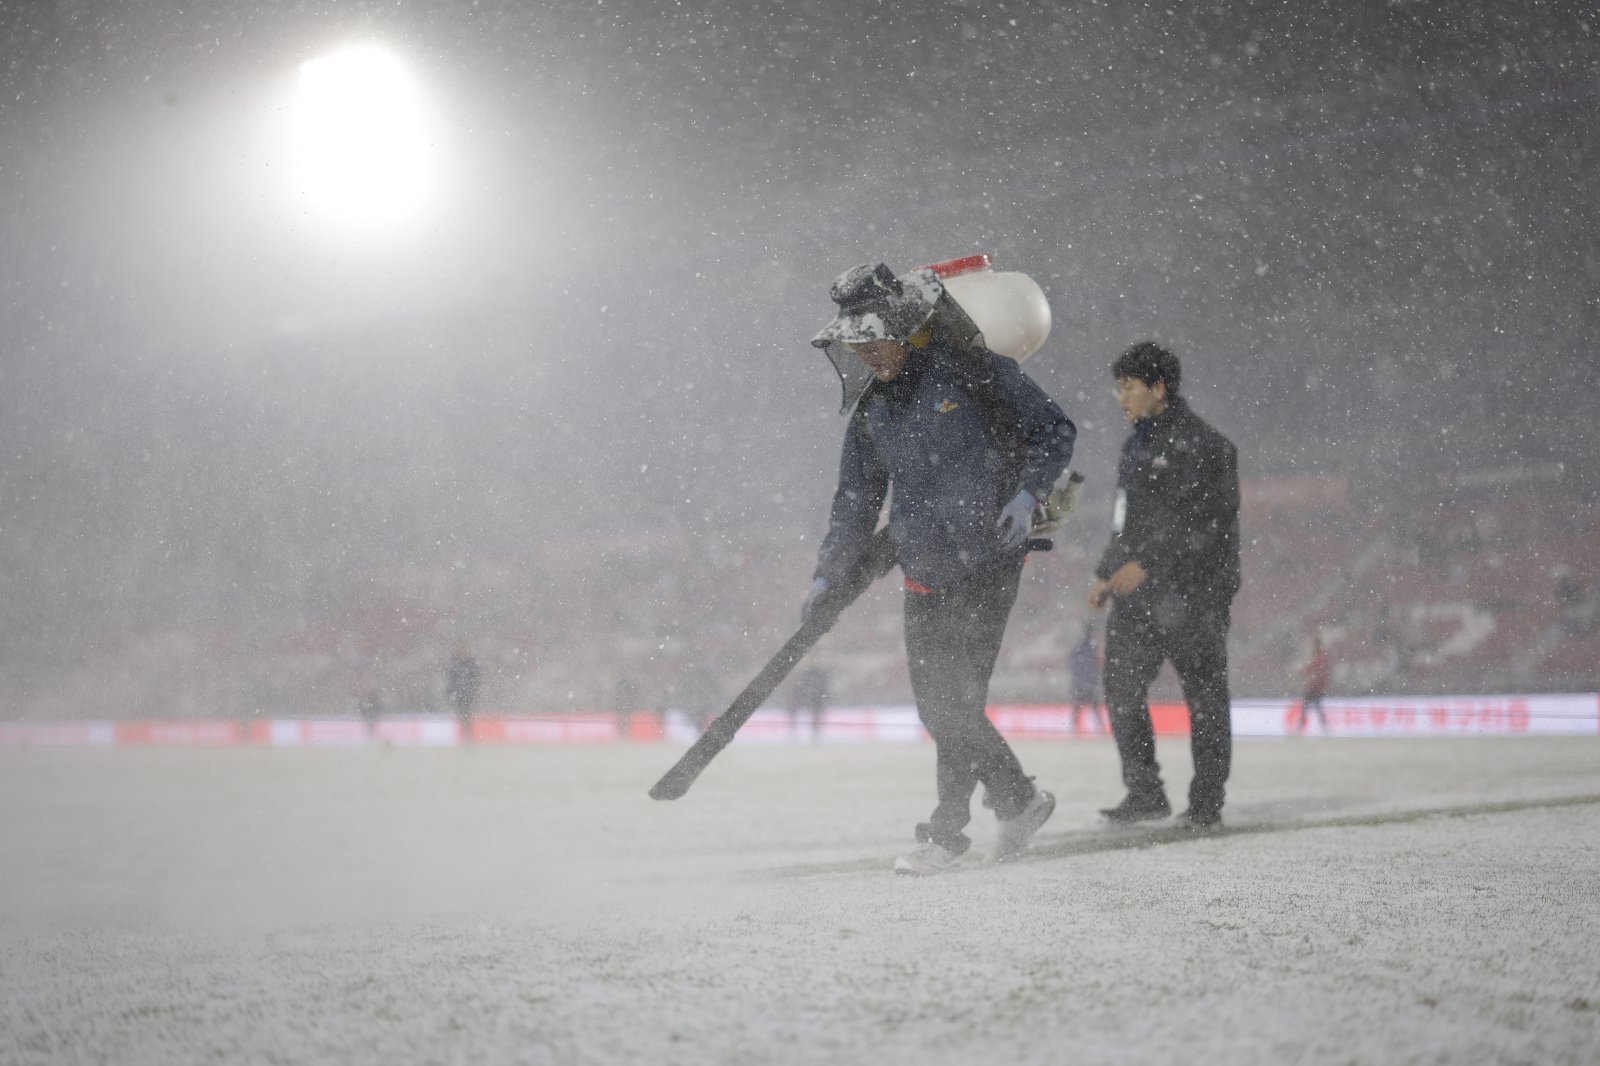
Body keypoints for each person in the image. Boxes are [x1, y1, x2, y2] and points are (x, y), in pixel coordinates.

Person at [804, 262, 1077, 875]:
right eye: (856, 345)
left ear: (905, 330)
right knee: (941, 708)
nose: (867, 355)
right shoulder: (872, 415)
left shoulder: (972, 371)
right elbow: (853, 506)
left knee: (954, 702)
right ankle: (1019, 799)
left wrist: (1029, 494)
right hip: (923, 572)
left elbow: (1054, 429)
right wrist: (827, 574)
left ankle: (946, 835)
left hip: (987, 563)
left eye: (875, 341)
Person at [1088, 341, 1240, 830]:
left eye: (1128, 386)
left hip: (1195, 595)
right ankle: (1145, 793)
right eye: (1118, 387)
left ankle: (1206, 804)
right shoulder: (1134, 445)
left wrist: (1148, 563)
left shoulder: (1208, 446)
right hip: (1140, 596)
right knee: (1121, 688)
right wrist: (1105, 571)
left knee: (1205, 698)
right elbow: (1122, 521)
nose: (1120, 398)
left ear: (1159, 388)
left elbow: (1203, 522)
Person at [1068, 622, 1106, 735]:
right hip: (1090, 683)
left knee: (1078, 707)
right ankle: (1099, 728)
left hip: (1080, 682)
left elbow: (1073, 663)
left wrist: (1077, 677)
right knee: (1094, 706)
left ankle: (1072, 728)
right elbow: (1096, 664)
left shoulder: (1079, 647)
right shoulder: (1092, 648)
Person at [1296, 634, 1331, 733]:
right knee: (1316, 707)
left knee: (1307, 706)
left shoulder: (1319, 657)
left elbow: (1314, 669)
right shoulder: (1322, 657)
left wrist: (1302, 673)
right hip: (1317, 687)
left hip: (1315, 688)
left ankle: (1301, 726)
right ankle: (1324, 726)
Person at [446, 649, 481, 744]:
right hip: (460, 696)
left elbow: (475, 679)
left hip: (467, 696)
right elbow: (451, 682)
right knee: (462, 717)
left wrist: (472, 692)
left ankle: (468, 737)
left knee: (466, 717)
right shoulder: (455, 665)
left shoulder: (468, 665)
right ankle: (465, 736)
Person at [791, 664, 829, 741]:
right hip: (810, 699)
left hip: (812, 699)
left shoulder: (809, 685)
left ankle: (814, 734)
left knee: (815, 714)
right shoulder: (811, 686)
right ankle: (798, 733)